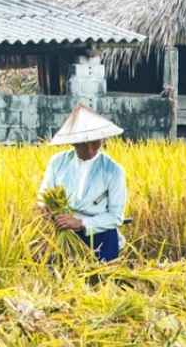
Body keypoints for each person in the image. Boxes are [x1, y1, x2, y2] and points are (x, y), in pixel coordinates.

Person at [37, 103, 128, 261]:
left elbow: (115, 217)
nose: (91, 149)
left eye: (95, 143)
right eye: (83, 145)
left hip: (101, 236)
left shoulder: (113, 171)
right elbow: (43, 196)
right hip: (64, 233)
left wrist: (81, 223)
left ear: (102, 139)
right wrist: (47, 210)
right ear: (73, 142)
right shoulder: (58, 163)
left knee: (101, 280)